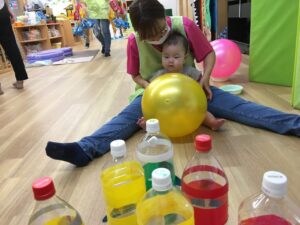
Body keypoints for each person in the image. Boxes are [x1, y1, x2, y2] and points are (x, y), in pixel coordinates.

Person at [46, 0, 300, 167]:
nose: (155, 37)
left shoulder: (184, 26)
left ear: (163, 18)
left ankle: (294, 123)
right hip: (151, 93)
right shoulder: (135, 40)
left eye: (158, 29)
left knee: (240, 108)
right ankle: (84, 149)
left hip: (193, 88)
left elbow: (208, 54)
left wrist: (206, 80)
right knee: (124, 121)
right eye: (149, 34)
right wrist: (152, 90)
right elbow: (135, 75)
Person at [136, 30, 224, 131]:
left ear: (184, 58)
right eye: (166, 56)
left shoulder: (190, 72)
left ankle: (212, 122)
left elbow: (200, 84)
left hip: (188, 106)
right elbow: (151, 93)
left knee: (202, 112)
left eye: (176, 57)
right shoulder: (159, 75)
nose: (170, 60)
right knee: (154, 115)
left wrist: (203, 91)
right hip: (166, 107)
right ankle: (149, 126)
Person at [0, 0, 28, 94]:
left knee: (11, 47)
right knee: (11, 47)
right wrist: (9, 10)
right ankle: (20, 80)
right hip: (2, 10)